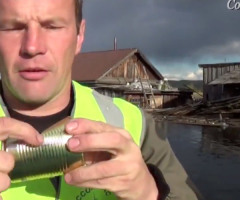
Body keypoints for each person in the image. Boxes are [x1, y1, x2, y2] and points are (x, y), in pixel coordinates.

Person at [0, 0, 200, 200]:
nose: (32, 46)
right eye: (12, 27)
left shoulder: (135, 125)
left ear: (79, 36)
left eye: (52, 26)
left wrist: (149, 193)